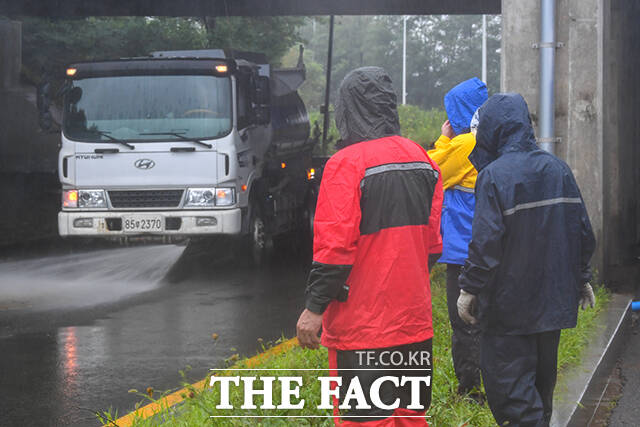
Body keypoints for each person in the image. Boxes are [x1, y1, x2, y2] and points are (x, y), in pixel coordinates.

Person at [296, 66, 443, 426]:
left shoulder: (345, 165)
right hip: (413, 321)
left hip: (362, 329)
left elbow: (334, 248)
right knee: (410, 418)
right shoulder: (423, 159)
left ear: (346, 110)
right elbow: (434, 245)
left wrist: (314, 309)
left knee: (364, 421)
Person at [457, 93, 596, 427]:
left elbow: (486, 242)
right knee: (540, 393)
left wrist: (469, 289)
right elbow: (582, 232)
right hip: (552, 308)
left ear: (493, 129)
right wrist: (581, 278)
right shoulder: (558, 169)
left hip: (509, 311)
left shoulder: (494, 176)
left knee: (513, 400)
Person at [427, 77, 487, 401]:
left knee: (464, 322)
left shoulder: (465, 145)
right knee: (486, 319)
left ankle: (470, 390)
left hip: (463, 250)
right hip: (487, 249)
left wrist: (443, 136)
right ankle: (494, 383)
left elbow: (431, 169)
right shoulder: (491, 139)